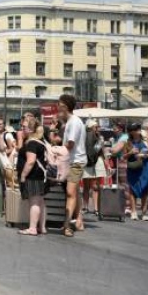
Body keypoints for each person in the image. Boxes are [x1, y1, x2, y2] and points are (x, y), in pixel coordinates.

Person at [58, 94, 86, 238]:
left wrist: (56, 151)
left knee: (70, 192)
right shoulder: (70, 122)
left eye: (59, 105)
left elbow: (70, 144)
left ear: (65, 107)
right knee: (74, 192)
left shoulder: (74, 122)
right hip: (73, 160)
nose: (57, 108)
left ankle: (67, 225)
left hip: (75, 161)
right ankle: (79, 220)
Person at [17, 116, 47, 236]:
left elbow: (30, 161)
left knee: (34, 202)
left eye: (24, 127)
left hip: (33, 176)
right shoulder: (40, 141)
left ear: (30, 129)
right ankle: (42, 227)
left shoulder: (31, 143)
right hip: (39, 175)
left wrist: (23, 175)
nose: (22, 129)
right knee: (40, 202)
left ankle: (32, 228)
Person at [122, 122, 148, 221]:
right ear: (131, 132)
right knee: (133, 189)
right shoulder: (127, 142)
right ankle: (134, 212)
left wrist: (144, 155)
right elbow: (123, 157)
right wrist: (131, 152)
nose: (138, 130)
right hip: (133, 168)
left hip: (145, 167)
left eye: (139, 128)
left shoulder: (146, 140)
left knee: (145, 188)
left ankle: (144, 213)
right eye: (136, 129)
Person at [81, 119, 107, 217]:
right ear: (91, 127)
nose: (98, 128)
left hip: (96, 161)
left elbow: (101, 151)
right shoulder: (86, 136)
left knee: (95, 186)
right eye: (96, 126)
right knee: (86, 186)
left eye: (98, 126)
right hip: (89, 161)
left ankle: (96, 208)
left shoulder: (99, 137)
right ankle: (85, 207)